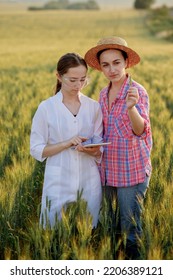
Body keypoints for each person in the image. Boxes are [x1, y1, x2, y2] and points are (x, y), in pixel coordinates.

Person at [84, 37, 152, 259]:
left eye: (116, 62)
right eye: (105, 65)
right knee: (111, 225)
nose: (111, 69)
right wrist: (90, 145)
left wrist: (132, 109)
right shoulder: (103, 94)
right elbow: (105, 132)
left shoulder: (137, 91)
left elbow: (141, 130)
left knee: (130, 228)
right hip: (108, 169)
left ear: (126, 63)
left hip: (131, 170)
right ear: (100, 67)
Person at [30, 52, 103, 229]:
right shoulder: (46, 108)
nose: (78, 85)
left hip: (89, 178)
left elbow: (100, 149)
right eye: (72, 80)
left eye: (83, 79)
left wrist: (91, 150)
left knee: (90, 230)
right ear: (58, 76)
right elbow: (36, 149)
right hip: (58, 180)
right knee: (52, 232)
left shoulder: (94, 107)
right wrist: (66, 143)